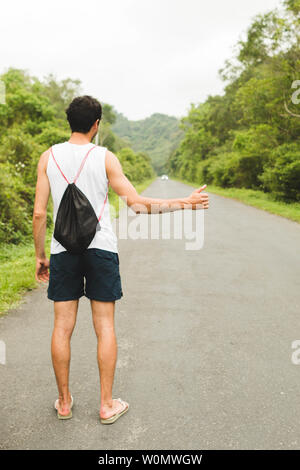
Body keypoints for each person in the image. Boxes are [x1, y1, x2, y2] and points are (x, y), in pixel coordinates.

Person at [32, 95, 209, 423]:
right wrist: (185, 202)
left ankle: (65, 403)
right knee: (105, 325)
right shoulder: (105, 158)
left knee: (61, 326)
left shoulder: (48, 157)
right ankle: (106, 404)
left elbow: (40, 212)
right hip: (101, 248)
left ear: (69, 122)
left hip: (62, 250)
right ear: (96, 125)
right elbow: (138, 205)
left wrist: (42, 256)